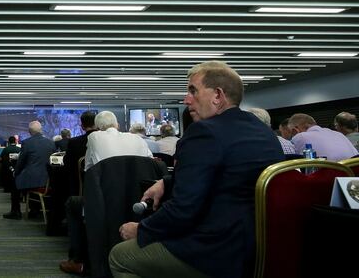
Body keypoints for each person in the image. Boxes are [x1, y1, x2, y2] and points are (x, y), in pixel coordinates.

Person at [109, 60, 284, 278]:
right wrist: (167, 182)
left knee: (120, 256)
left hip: (214, 252)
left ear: (217, 96)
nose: (186, 99)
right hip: (260, 249)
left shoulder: (204, 132)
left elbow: (183, 210)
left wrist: (142, 230)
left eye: (193, 90)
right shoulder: (263, 132)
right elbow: (230, 178)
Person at [3, 121, 55, 220]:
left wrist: (15, 172)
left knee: (15, 181)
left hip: (33, 180)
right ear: (41, 130)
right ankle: (34, 210)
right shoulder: (51, 143)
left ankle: (15, 212)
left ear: (29, 132)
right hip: (49, 180)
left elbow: (21, 162)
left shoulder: (27, 143)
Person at [84, 111, 152, 171]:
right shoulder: (137, 138)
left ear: (97, 128)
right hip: (140, 183)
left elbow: (88, 167)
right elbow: (151, 162)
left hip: (107, 184)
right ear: (117, 125)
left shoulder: (93, 137)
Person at [288, 112, 358, 161]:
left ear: (295, 130)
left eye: (292, 133)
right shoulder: (338, 134)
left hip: (330, 179)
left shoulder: (300, 137)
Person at [64, 110, 97, 196]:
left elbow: (67, 163)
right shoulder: (104, 141)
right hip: (101, 182)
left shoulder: (73, 142)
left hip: (80, 185)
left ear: (82, 126)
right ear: (96, 124)